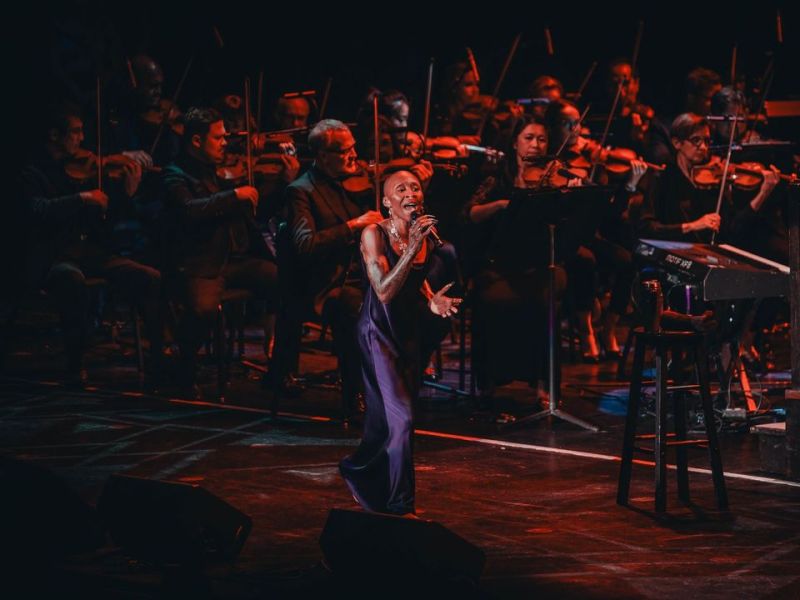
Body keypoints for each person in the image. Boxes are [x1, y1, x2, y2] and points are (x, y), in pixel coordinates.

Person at [278, 119, 432, 412]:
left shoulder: (358, 182)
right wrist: (353, 226)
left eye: (353, 148)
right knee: (358, 310)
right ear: (323, 156)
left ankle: (404, 382)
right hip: (328, 282)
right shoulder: (301, 190)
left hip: (366, 274)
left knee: (428, 306)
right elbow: (306, 245)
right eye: (344, 151)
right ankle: (357, 391)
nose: (354, 156)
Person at [340, 170, 461, 515]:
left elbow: (413, 280)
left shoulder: (421, 234)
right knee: (403, 418)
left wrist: (430, 299)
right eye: (401, 189)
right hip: (378, 331)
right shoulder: (372, 234)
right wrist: (410, 248)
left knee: (384, 421)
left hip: (407, 332)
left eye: (416, 187)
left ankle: (359, 472)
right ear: (387, 202)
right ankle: (400, 504)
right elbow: (384, 290)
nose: (411, 192)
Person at [18, 102, 163, 385]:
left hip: (91, 253)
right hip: (53, 255)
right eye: (75, 132)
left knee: (150, 277)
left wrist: (126, 195)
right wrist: (82, 199)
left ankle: (160, 357)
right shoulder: (31, 173)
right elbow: (36, 210)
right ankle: (75, 362)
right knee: (71, 281)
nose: (82, 139)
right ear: (54, 136)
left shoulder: (87, 170)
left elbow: (106, 221)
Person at [161, 107, 278, 395]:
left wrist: (280, 181)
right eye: (218, 137)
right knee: (203, 310)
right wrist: (232, 195)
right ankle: (184, 364)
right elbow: (190, 210)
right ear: (197, 141)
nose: (226, 143)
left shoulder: (220, 171)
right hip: (202, 264)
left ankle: (279, 364)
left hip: (236, 260)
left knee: (284, 281)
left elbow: (256, 205)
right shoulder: (174, 175)